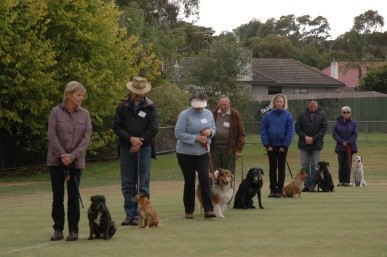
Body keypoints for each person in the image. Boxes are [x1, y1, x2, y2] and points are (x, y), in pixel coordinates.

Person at [47, 81, 92, 241]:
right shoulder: (55, 112)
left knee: (73, 196)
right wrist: (63, 155)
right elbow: (51, 134)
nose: (81, 98)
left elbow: (86, 138)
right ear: (68, 95)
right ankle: (58, 229)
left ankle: (74, 231)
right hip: (56, 161)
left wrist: (72, 156)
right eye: (78, 95)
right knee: (57, 196)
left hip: (76, 162)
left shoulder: (85, 114)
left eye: (82, 95)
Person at [113, 76, 158, 226]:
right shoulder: (123, 106)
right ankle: (130, 214)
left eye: (141, 91)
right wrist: (131, 139)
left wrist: (140, 141)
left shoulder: (151, 106)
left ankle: (142, 216)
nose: (138, 94)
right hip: (126, 147)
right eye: (136, 91)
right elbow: (117, 126)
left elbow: (153, 128)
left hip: (144, 148)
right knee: (127, 183)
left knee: (143, 184)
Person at [175, 91, 216, 219]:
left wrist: (210, 132)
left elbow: (214, 129)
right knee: (190, 180)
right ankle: (189, 210)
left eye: (201, 105)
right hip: (185, 153)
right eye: (196, 105)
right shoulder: (185, 114)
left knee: (205, 178)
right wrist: (196, 138)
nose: (199, 108)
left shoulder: (208, 113)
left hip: (203, 152)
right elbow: (178, 133)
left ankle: (208, 209)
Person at [260, 94, 294, 198]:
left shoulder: (288, 115)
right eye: (277, 101)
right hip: (271, 146)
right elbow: (263, 130)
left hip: (282, 147)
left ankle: (279, 190)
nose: (279, 103)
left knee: (281, 168)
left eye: (280, 101)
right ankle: (272, 190)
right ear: (274, 103)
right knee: (272, 168)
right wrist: (267, 144)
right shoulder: (268, 115)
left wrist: (285, 145)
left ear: (284, 103)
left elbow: (290, 131)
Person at [295, 98, 328, 192]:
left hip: (316, 144)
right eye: (311, 106)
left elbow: (324, 129)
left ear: (317, 106)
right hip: (303, 144)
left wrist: (313, 138)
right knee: (304, 165)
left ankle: (313, 185)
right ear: (308, 106)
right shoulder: (302, 114)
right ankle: (306, 185)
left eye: (314, 106)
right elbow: (298, 128)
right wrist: (305, 137)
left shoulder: (322, 115)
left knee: (315, 166)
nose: (313, 108)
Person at [210, 94, 246, 175]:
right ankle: (215, 188)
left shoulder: (235, 114)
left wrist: (239, 150)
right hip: (214, 148)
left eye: (224, 104)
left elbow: (241, 133)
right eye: (220, 104)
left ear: (229, 103)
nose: (222, 106)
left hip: (229, 148)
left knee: (228, 174)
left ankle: (229, 188)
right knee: (215, 173)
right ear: (218, 104)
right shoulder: (213, 113)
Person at [332, 106, 358, 186]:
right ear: (342, 113)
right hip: (340, 147)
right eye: (344, 112)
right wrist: (342, 141)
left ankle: (347, 182)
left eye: (348, 112)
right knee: (341, 164)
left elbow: (355, 134)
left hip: (350, 147)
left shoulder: (353, 123)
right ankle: (341, 181)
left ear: (350, 113)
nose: (346, 113)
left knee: (347, 164)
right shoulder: (337, 123)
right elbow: (335, 134)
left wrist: (348, 142)